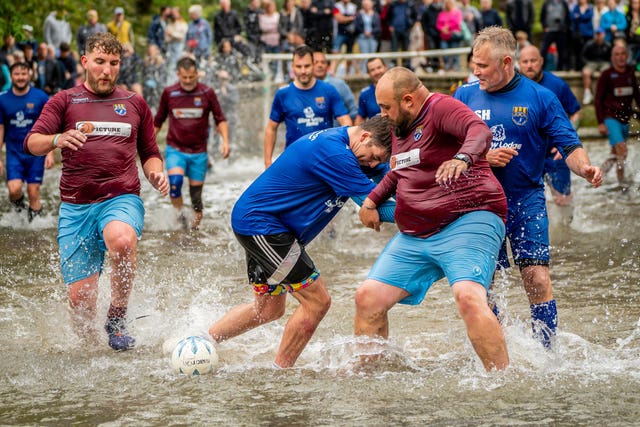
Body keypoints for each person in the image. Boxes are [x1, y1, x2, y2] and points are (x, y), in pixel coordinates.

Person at [454, 26, 602, 349]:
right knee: (484, 286)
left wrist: (585, 168)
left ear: (507, 62)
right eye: (474, 64)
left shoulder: (541, 98)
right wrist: (482, 157)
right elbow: (448, 150)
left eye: (482, 66)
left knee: (536, 279)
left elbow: (571, 146)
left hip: (526, 199)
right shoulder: (464, 96)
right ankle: (501, 346)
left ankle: (546, 353)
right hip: (481, 205)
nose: (474, 71)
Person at [352, 67, 509, 371]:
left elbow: (480, 131)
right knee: (367, 297)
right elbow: (398, 171)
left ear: (408, 100)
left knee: (467, 296)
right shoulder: (401, 127)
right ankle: (369, 379)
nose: (382, 115)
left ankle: (504, 382)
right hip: (416, 235)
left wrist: (461, 158)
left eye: (386, 107)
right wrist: (371, 201)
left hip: (469, 219)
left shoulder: (440, 108)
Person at [208, 115, 395, 368]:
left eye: (378, 161)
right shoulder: (336, 154)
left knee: (268, 310)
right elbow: (371, 208)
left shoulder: (357, 152)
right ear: (364, 136)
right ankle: (281, 372)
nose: (373, 165)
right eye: (374, 157)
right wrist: (432, 214)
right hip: (263, 227)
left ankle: (201, 341)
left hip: (264, 226)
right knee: (317, 301)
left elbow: (391, 179)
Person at [24, 32, 169, 351]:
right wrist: (56, 140)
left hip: (120, 198)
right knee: (80, 305)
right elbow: (32, 142)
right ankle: (96, 354)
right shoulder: (64, 101)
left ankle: (117, 317)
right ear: (85, 62)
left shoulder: (134, 103)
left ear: (120, 65)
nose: (106, 70)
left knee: (121, 239)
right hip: (76, 208)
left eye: (114, 63)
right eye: (100, 62)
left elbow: (149, 151)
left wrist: (156, 173)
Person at [154, 56, 230, 230]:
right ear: (178, 75)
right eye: (184, 77)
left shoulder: (207, 93)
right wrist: (147, 147)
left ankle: (193, 232)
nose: (188, 81)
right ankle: (180, 215)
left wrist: (226, 142)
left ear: (197, 74)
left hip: (199, 152)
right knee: (175, 184)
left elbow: (221, 119)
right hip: (176, 149)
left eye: (191, 77)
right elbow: (158, 121)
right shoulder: (169, 93)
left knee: (196, 199)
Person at [263, 45, 351, 168]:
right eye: (299, 67)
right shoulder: (283, 94)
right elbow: (271, 128)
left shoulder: (329, 90)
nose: (303, 70)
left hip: (325, 157)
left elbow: (345, 122)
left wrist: (346, 150)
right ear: (292, 67)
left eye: (307, 66)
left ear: (313, 65)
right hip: (294, 159)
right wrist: (267, 162)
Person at [518, 45, 581, 207]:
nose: (529, 65)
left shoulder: (557, 85)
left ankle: (566, 230)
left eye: (533, 61)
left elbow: (576, 113)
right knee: (527, 201)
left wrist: (567, 142)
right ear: (518, 63)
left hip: (555, 153)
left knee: (562, 200)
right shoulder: (512, 87)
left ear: (541, 61)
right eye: (525, 61)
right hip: (526, 155)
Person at [0, 62, 54, 222]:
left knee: (34, 191)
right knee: (14, 189)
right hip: (14, 152)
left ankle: (34, 227)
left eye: (24, 74)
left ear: (29, 75)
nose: (21, 77)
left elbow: (50, 125)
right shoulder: (2, 99)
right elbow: (0, 129)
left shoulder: (40, 97)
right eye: (17, 74)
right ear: (11, 76)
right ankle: (21, 213)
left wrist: (50, 152)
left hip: (36, 152)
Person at [595, 41, 640, 188]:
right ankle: (622, 184)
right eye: (617, 54)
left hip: (625, 119)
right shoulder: (606, 75)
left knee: (615, 153)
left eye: (622, 54)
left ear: (627, 56)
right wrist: (601, 122)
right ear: (612, 57)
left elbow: (636, 96)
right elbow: (598, 99)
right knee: (622, 149)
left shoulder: (630, 73)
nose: (620, 57)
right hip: (610, 118)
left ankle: (597, 176)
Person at [312, 51, 358, 123]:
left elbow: (353, 110)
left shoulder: (339, 84)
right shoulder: (305, 88)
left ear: (328, 66)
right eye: (316, 62)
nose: (320, 65)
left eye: (323, 62)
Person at [581, 27, 612, 104]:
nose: (598, 36)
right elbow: (582, 56)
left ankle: (605, 94)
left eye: (600, 34)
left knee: (605, 73)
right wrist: (587, 63)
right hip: (592, 62)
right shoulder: (589, 44)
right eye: (597, 34)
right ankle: (587, 94)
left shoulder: (608, 45)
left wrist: (609, 64)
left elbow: (611, 57)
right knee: (586, 73)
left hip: (604, 62)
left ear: (604, 35)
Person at [355, 57, 388, 125]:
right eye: (372, 70)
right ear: (368, 73)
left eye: (379, 67)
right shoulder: (365, 94)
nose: (377, 72)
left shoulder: (397, 88)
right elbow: (359, 121)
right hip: (376, 133)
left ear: (385, 67)